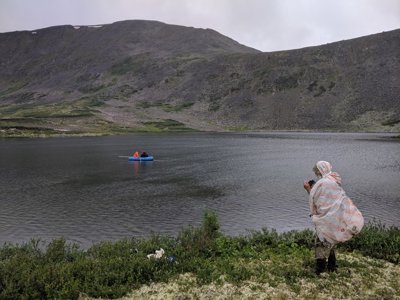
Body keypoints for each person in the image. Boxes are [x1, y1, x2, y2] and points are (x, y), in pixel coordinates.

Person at [303, 161, 364, 275]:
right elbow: (334, 200)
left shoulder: (322, 183)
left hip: (326, 218)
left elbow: (318, 201)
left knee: (321, 241)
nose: (316, 173)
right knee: (331, 241)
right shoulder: (333, 180)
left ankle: (320, 270)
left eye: (317, 170)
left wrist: (308, 189)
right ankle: (332, 267)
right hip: (335, 218)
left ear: (320, 170)